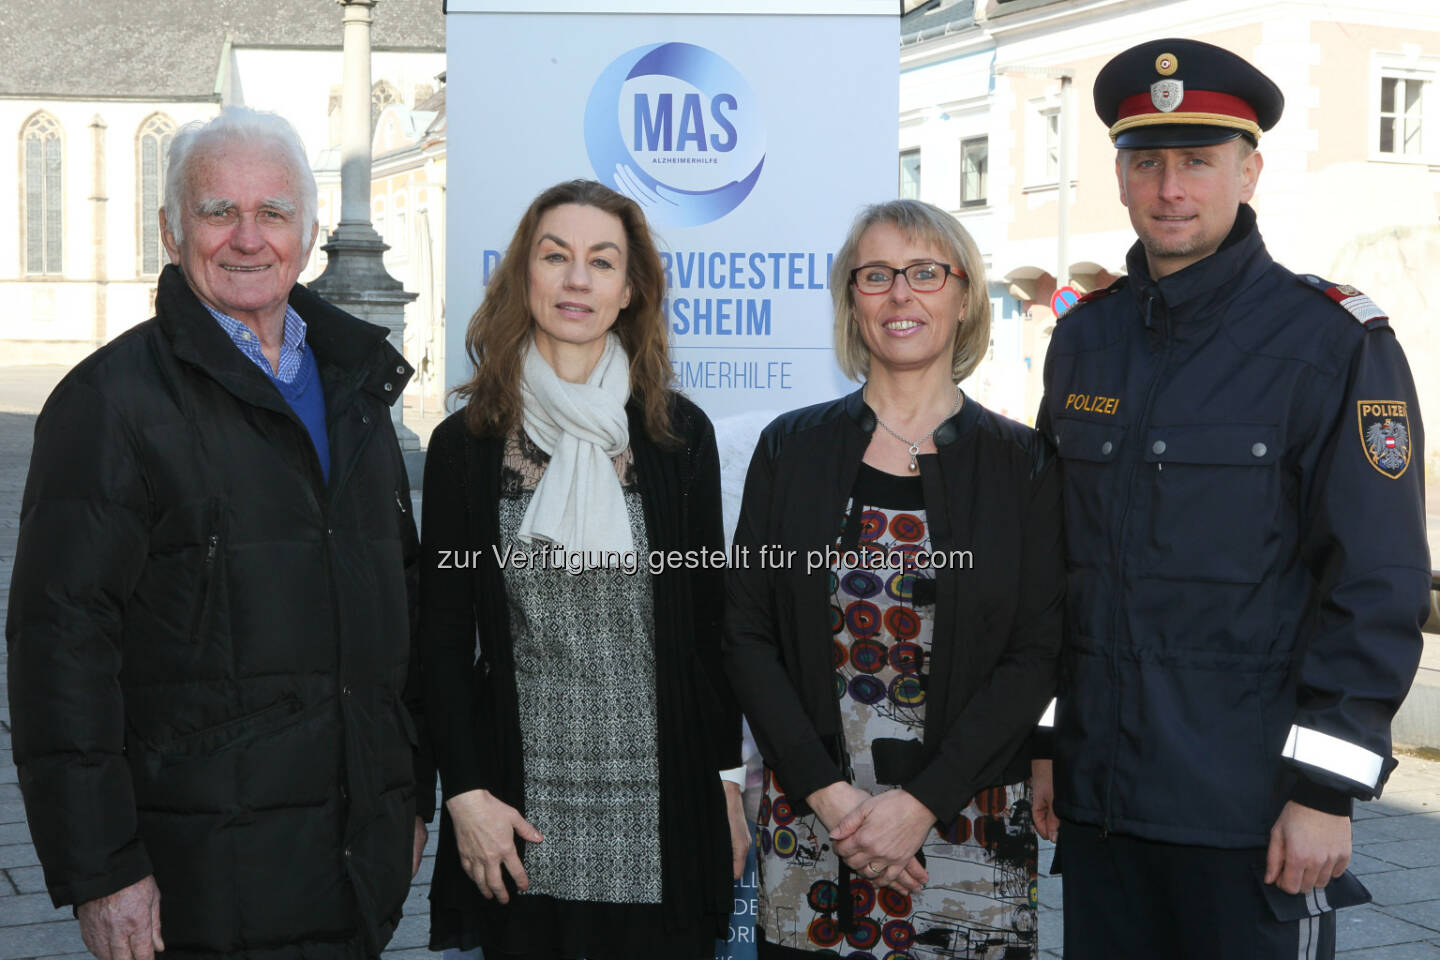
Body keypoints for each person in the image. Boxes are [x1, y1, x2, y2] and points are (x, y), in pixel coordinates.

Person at [1033, 38, 1431, 960]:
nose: (1172, 188)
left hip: (1252, 816)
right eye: (1148, 162)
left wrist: (1325, 790)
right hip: (1102, 812)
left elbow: (1377, 582)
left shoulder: (1331, 342)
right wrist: (1046, 743)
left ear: (1248, 171)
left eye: (1199, 162)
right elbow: (1053, 572)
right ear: (1122, 177)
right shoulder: (1082, 344)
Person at [7, 106, 431, 960]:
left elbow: (402, 609)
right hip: (198, 884)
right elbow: (60, 652)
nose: (247, 237)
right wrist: (101, 872)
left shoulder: (355, 392)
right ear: (171, 229)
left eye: (273, 212)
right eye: (217, 211)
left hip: (354, 869)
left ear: (309, 234)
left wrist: (408, 796)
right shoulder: (109, 405)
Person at [724, 199, 1064, 958]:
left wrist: (920, 804)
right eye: (875, 276)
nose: (900, 294)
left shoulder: (1026, 465)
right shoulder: (790, 450)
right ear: (851, 299)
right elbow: (745, 634)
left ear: (964, 295)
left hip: (968, 829)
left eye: (924, 273)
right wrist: (830, 795)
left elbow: (1038, 651)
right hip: (814, 825)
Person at [419, 178, 747, 959]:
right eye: (555, 256)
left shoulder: (678, 436)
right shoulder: (466, 444)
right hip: (521, 809)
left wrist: (728, 790)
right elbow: (438, 644)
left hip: (662, 806)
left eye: (601, 262)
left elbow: (709, 634)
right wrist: (465, 796)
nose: (576, 279)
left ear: (630, 290)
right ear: (523, 275)